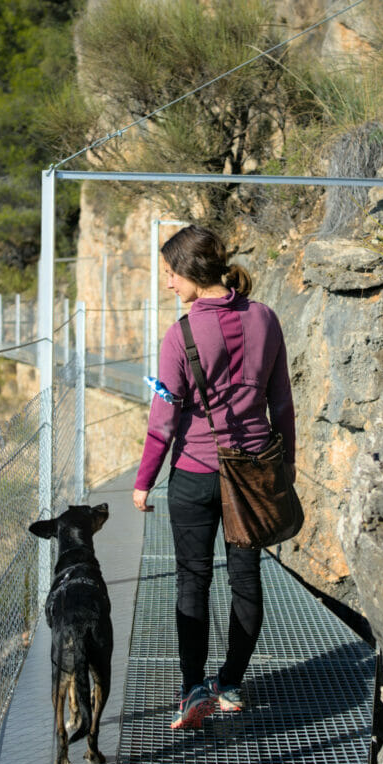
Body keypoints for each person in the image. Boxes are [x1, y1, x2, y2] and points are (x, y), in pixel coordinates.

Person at [132, 224, 296, 730]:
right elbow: (282, 403)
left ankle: (191, 688)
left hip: (195, 475)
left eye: (169, 274)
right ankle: (230, 683)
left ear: (191, 273)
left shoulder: (180, 335)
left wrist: (143, 481)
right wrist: (283, 468)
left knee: (192, 581)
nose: (167, 284)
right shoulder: (266, 319)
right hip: (252, 474)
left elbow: (163, 421)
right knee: (246, 579)